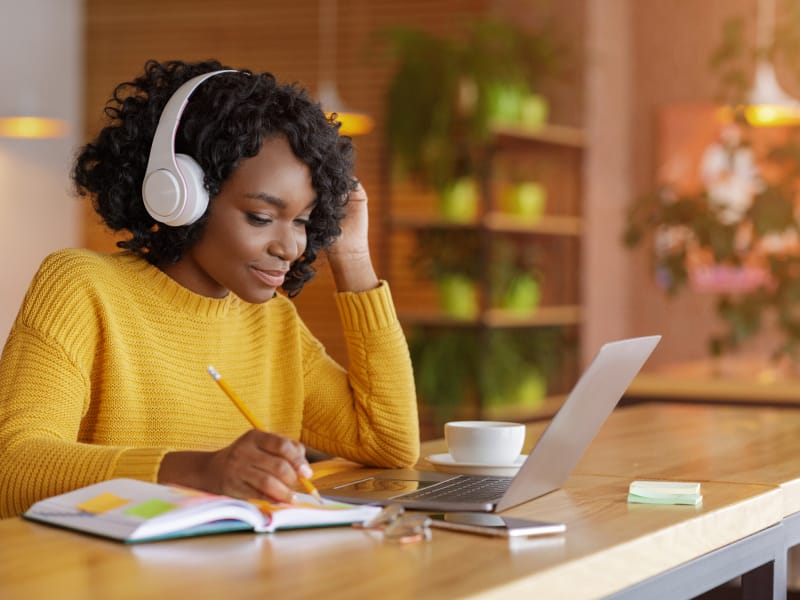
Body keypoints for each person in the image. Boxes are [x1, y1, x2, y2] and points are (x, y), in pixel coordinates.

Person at [0, 59, 420, 519]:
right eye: (261, 217)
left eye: (303, 221)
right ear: (180, 194)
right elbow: (13, 469)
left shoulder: (272, 321)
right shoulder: (81, 287)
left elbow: (389, 443)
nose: (291, 246)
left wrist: (353, 258)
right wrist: (199, 472)